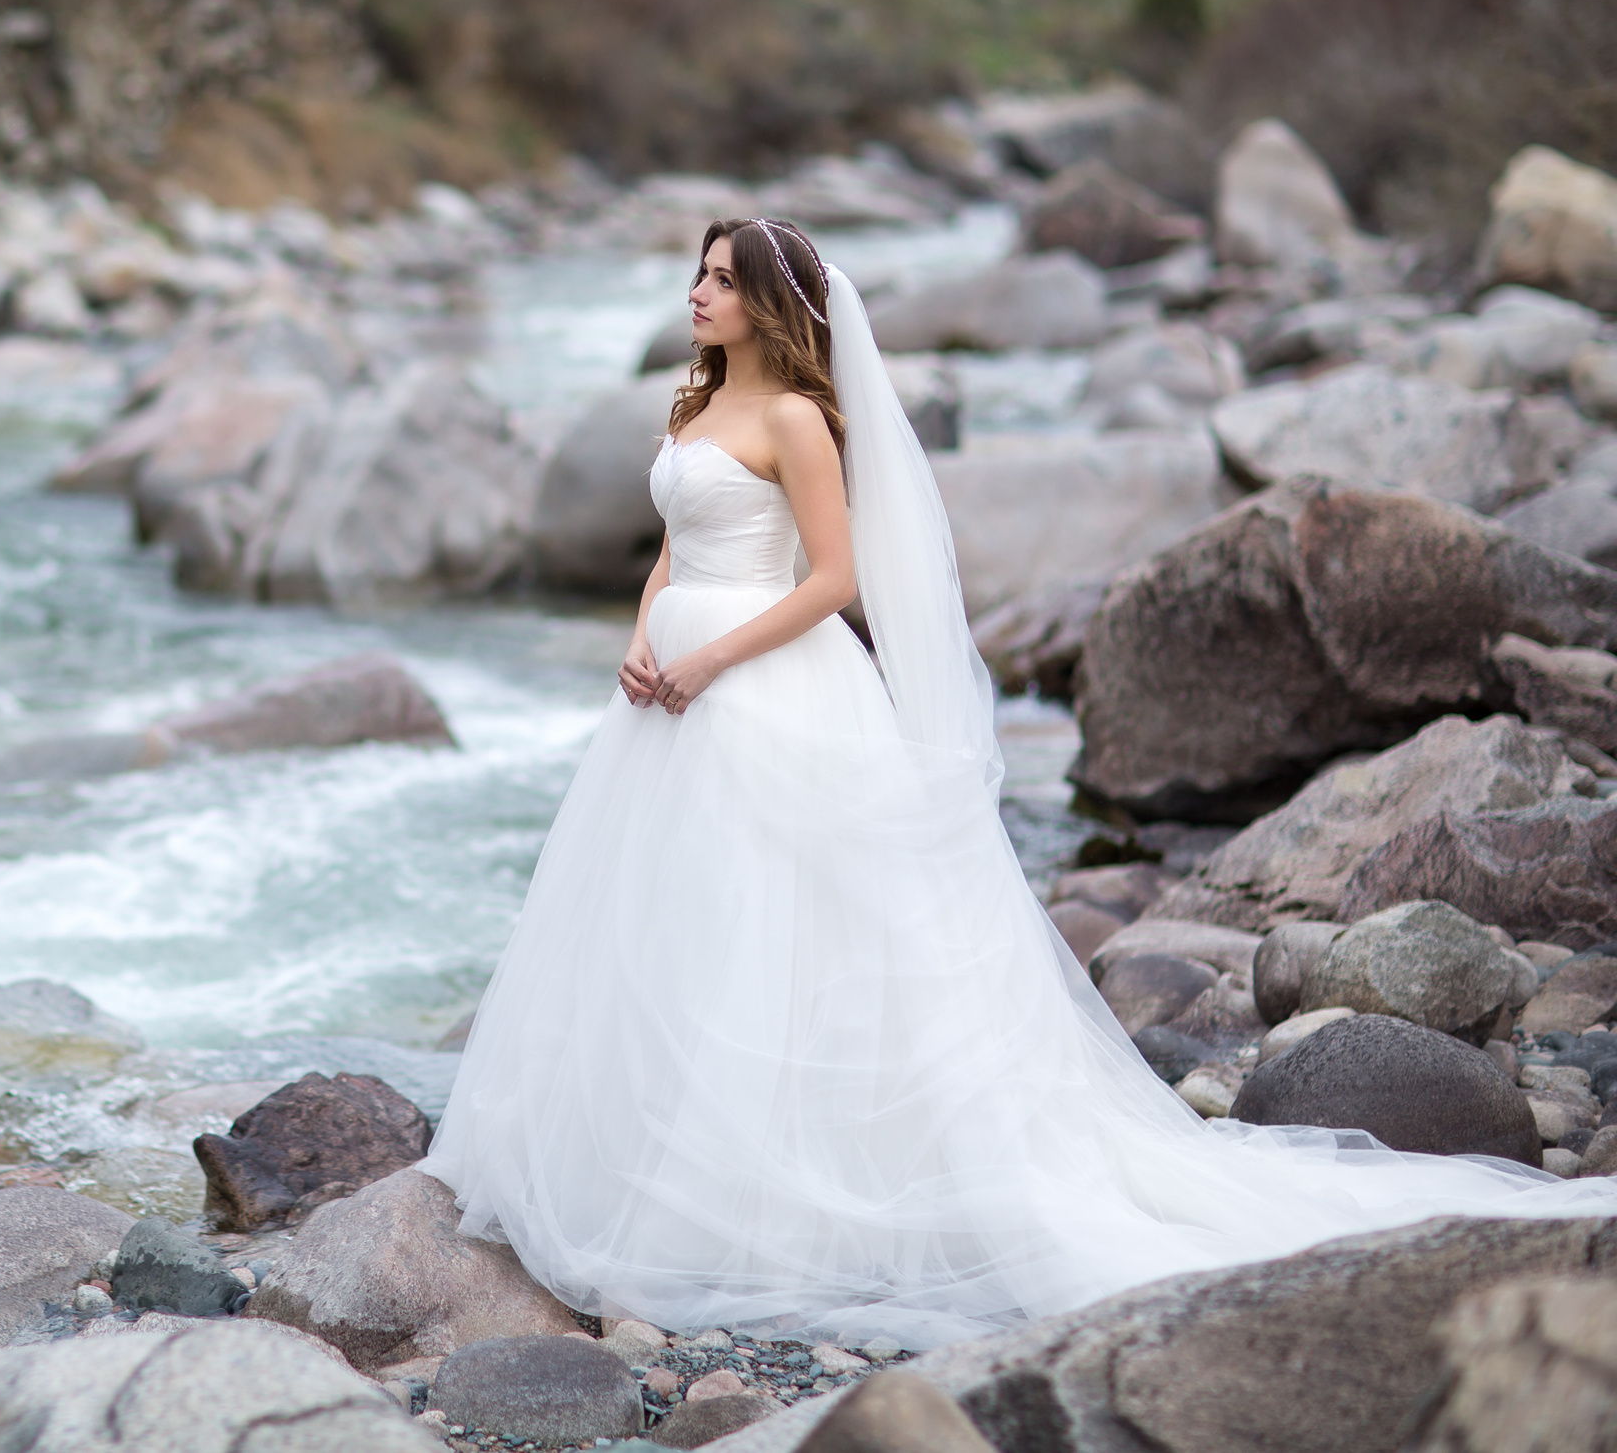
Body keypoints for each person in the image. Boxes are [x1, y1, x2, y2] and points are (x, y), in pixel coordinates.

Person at [421, 217, 1617, 1350]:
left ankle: (778, 1187)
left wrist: (708, 658)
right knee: (666, 924)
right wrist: (641, 641)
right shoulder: (694, 404)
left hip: (761, 685)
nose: (698, 291)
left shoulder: (794, 416)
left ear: (772, 303)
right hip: (665, 694)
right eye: (699, 271)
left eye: (723, 277)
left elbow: (833, 580)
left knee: (782, 924)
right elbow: (675, 552)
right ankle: (639, 1149)